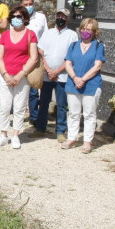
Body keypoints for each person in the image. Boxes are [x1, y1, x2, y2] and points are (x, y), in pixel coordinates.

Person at [0, 7, 40, 149]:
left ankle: (15, 135)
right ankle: (3, 135)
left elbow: (34, 57)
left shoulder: (30, 34)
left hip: (22, 76)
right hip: (5, 75)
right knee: (4, 106)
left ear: (25, 18)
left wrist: (21, 74)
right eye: (13, 16)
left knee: (19, 107)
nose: (15, 19)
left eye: (19, 16)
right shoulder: (5, 35)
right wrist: (6, 74)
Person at [31, 8, 79, 142]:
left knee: (62, 104)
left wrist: (57, 71)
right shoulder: (47, 33)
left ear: (67, 19)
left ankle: (60, 131)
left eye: (64, 17)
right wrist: (47, 69)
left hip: (62, 76)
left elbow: (71, 57)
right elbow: (41, 52)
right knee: (44, 102)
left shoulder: (72, 35)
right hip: (47, 75)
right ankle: (41, 128)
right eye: (59, 16)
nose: (61, 19)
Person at [63, 17, 105, 153]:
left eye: (89, 29)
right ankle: (71, 138)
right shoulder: (73, 45)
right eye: (83, 29)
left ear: (94, 32)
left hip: (91, 84)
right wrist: (75, 78)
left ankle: (87, 141)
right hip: (73, 83)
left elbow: (97, 65)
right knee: (73, 113)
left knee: (89, 114)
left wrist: (83, 79)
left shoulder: (99, 46)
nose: (85, 31)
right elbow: (68, 63)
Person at [24, 0, 47, 128]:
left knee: (33, 87)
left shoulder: (41, 17)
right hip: (21, 56)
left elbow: (45, 36)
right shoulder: (18, 17)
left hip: (36, 56)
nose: (28, 7)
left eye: (30, 4)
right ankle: (18, 114)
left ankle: (34, 116)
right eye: (25, 5)